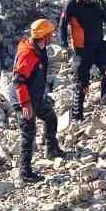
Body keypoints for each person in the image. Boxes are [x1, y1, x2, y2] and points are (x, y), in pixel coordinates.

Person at [58, 0, 106, 120]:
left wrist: (102, 8)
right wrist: (64, 46)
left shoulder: (98, 0)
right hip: (82, 49)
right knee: (81, 84)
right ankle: (77, 117)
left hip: (98, 45)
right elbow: (62, 26)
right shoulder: (72, 4)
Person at [13, 19, 65, 183]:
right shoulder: (28, 55)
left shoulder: (39, 50)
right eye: (50, 34)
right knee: (28, 134)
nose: (53, 36)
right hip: (24, 101)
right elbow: (18, 81)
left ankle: (52, 150)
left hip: (35, 97)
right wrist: (25, 104)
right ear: (44, 36)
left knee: (51, 117)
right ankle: (25, 172)